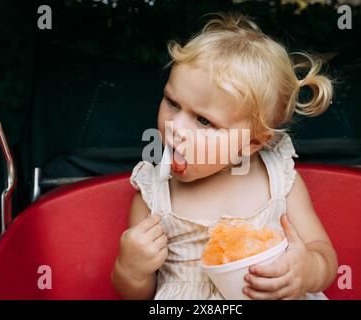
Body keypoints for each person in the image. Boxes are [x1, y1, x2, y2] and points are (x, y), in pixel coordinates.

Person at [111, 12, 338, 300]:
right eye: (172, 102)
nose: (175, 127)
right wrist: (131, 270)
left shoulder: (278, 179)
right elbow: (137, 295)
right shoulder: (154, 191)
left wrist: (308, 270)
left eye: (204, 121)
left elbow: (323, 252)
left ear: (252, 143)